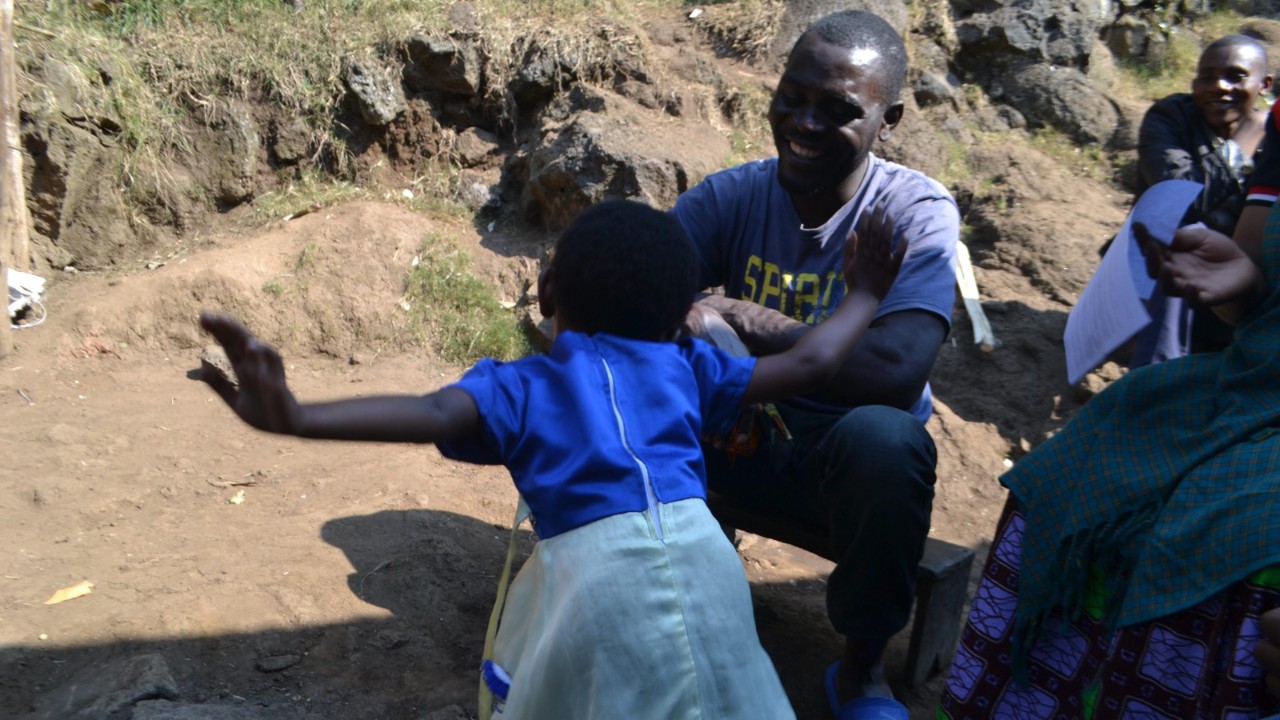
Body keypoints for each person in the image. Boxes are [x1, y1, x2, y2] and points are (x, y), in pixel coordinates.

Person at [198, 199, 906, 719]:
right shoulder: (690, 365)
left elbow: (432, 414)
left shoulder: (522, 385)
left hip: (598, 586)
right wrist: (867, 290)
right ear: (674, 319)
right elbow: (813, 360)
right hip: (706, 564)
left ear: (545, 295)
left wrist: (297, 417)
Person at [937, 97, 1280, 720]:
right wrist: (1243, 288)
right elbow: (1258, 294)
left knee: (1242, 538)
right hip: (1249, 382)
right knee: (1069, 468)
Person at [670, 9, 959, 720]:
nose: (802, 123)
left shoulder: (913, 215)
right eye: (792, 96)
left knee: (887, 440)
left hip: (838, 473)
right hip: (732, 442)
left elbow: (893, 371)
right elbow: (642, 297)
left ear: (887, 120)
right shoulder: (731, 195)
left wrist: (745, 315)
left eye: (836, 110)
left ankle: (860, 672)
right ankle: (660, 598)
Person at [1129, 34, 1272, 366]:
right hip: (1156, 272)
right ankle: (1151, 385)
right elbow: (1179, 198)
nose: (1218, 87)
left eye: (1235, 76)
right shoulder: (1169, 118)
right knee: (1182, 238)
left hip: (1240, 282)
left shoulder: (1275, 137)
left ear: (1264, 84)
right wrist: (1243, 141)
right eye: (1206, 77)